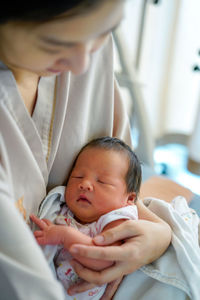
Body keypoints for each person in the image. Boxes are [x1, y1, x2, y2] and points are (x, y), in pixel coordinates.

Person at [0, 1, 196, 299]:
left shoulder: (87, 51)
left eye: (105, 30)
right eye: (55, 41)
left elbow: (123, 186)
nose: (81, 66)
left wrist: (158, 234)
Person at [30, 136, 142, 299]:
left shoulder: (116, 219)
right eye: (78, 176)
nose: (85, 184)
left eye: (102, 181)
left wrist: (64, 235)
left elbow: (104, 260)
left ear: (129, 200)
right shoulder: (62, 207)